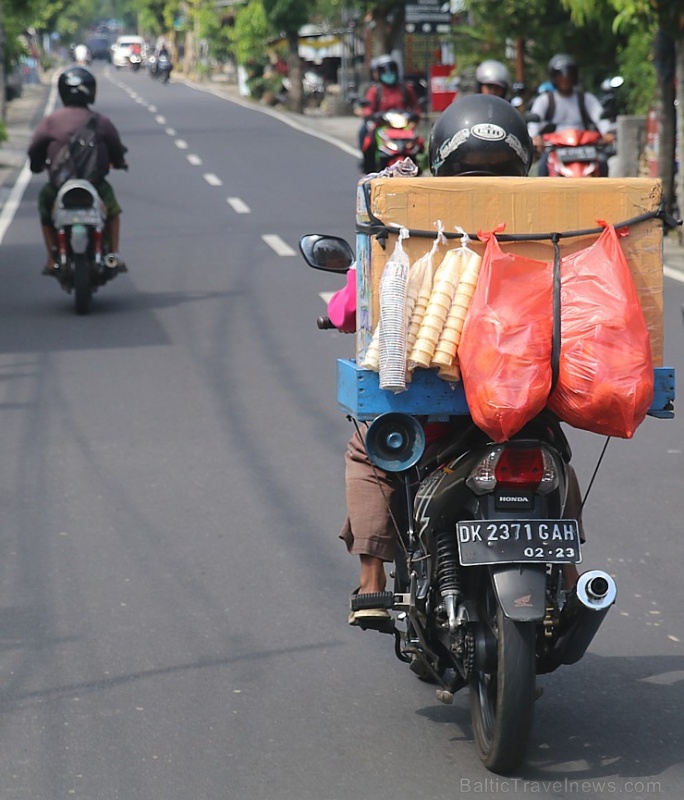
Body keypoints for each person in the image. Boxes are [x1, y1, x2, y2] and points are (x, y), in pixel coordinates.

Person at [328, 95, 585, 625]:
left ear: (440, 161)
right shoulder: (554, 225)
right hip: (524, 400)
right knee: (554, 452)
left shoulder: (409, 222)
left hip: (434, 414)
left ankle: (372, 581)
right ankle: (569, 576)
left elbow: (351, 308)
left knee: (366, 450)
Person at [27, 66, 128, 276]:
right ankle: (114, 255)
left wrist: (37, 166)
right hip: (95, 185)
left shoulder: (50, 121)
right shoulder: (101, 122)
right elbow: (116, 149)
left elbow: (34, 149)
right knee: (113, 211)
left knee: (45, 206)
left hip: (59, 186)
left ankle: (51, 258)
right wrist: (119, 162)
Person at [527, 54, 615, 176]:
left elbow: (599, 116)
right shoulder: (545, 100)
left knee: (602, 162)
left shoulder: (585, 99)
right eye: (560, 75)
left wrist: (607, 132)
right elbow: (534, 120)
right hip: (555, 148)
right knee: (543, 165)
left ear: (574, 76)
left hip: (584, 147)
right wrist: (535, 136)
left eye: (568, 74)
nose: (565, 78)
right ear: (554, 77)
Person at [358, 54, 422, 173]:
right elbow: (368, 108)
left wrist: (415, 117)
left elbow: (416, 107)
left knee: (419, 142)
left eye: (391, 70)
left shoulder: (406, 89)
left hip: (403, 126)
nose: (389, 74)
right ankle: (368, 167)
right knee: (367, 138)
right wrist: (371, 115)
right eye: (385, 71)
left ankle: (421, 164)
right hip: (382, 125)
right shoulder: (375, 90)